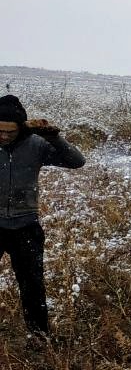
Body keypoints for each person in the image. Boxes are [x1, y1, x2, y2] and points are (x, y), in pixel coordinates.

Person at [0, 95, 86, 335]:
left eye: (10, 131)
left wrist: (53, 137)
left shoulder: (35, 145)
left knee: (32, 287)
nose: (4, 136)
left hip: (26, 227)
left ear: (21, 128)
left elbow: (77, 162)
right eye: (0, 131)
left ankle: (39, 339)